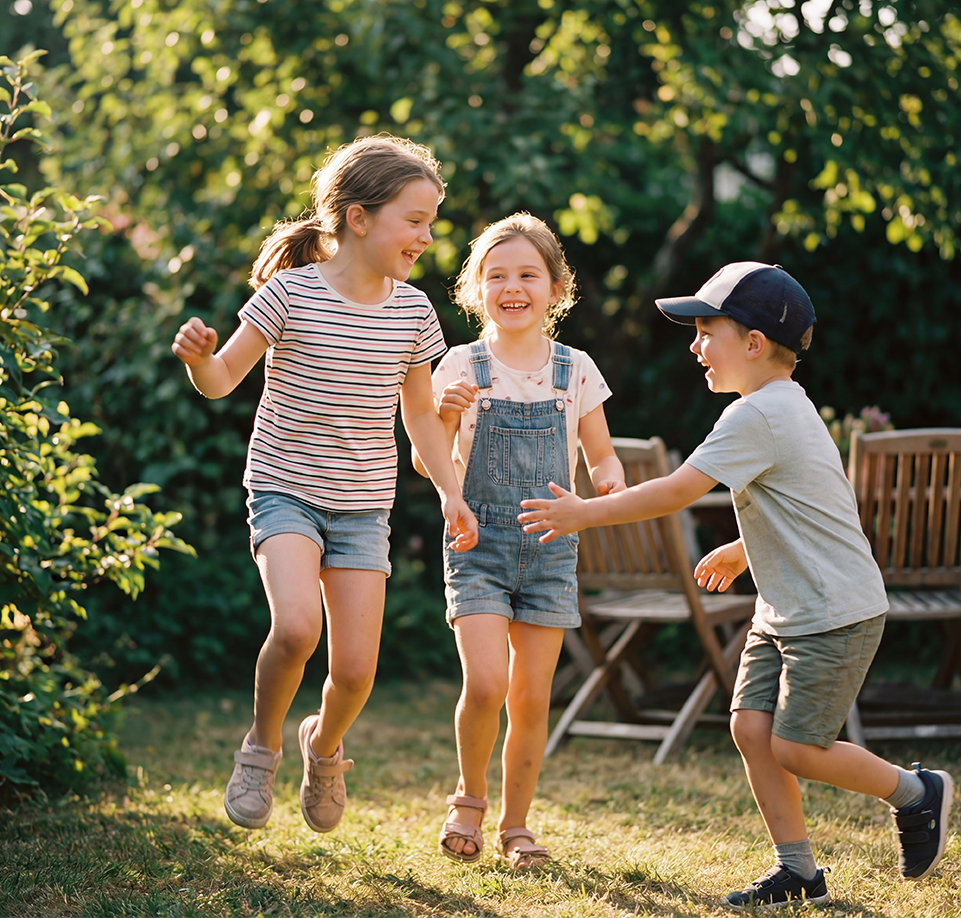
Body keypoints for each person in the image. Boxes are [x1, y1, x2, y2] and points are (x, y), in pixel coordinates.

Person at [518, 262, 953, 906]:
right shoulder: (780, 407)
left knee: (800, 748)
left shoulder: (759, 415)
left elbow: (675, 492)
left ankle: (919, 793)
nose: (694, 346)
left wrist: (584, 512)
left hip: (833, 614)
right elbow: (803, 507)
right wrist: (743, 547)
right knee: (751, 730)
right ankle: (798, 869)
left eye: (705, 331)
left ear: (753, 343)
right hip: (788, 608)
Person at [171, 134, 477, 834]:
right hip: (284, 488)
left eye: (431, 222)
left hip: (363, 505)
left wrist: (450, 491)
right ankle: (262, 746)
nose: (425, 236)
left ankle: (323, 745)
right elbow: (221, 381)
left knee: (358, 671)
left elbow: (421, 419)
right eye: (414, 220)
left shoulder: (413, 311)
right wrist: (198, 359)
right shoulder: (289, 293)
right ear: (359, 218)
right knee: (295, 628)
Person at [412, 213, 624, 868]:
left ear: (555, 289)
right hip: (477, 541)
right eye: (496, 275)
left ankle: (515, 826)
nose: (513, 286)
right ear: (476, 290)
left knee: (531, 697)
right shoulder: (458, 364)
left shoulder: (575, 370)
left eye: (527, 274)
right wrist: (445, 412)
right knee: (484, 684)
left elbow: (602, 457)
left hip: (551, 549)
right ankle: (468, 799)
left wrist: (609, 491)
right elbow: (428, 462)